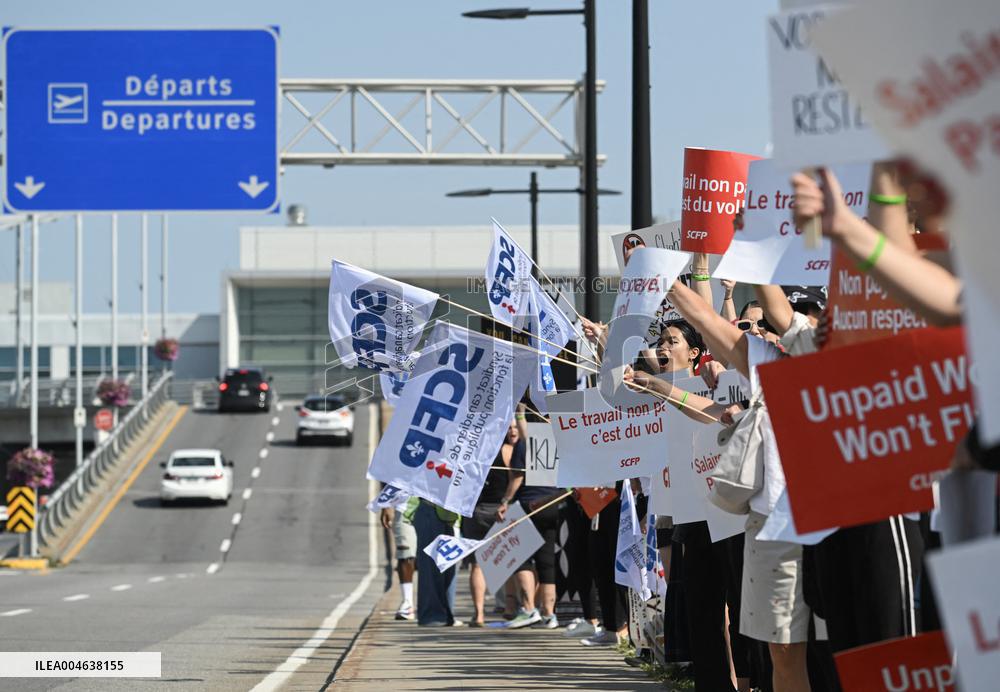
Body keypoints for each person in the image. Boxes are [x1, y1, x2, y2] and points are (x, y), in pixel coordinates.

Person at [495, 409, 561, 630]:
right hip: (552, 504)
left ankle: (528, 608)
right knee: (547, 561)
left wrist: (505, 500)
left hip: (528, 504)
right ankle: (549, 614)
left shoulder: (527, 442)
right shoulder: (560, 441)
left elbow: (517, 477)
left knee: (521, 557)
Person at [460, 417, 520, 626]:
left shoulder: (473, 452)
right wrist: (507, 501)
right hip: (499, 510)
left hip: (475, 510)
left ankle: (479, 614)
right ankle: (510, 606)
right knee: (507, 560)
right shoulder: (507, 451)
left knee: (477, 565)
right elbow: (516, 478)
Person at [412, 498, 462, 627]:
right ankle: (431, 615)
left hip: (449, 514)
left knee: (448, 565)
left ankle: (446, 614)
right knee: (430, 566)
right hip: (431, 509)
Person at [381, 498, 418, 621]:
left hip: (434, 507)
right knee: (405, 554)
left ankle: (435, 603)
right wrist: (386, 505)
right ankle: (407, 603)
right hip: (405, 509)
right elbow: (391, 479)